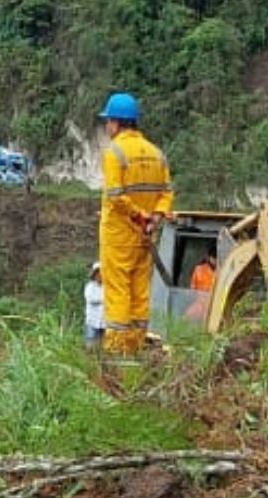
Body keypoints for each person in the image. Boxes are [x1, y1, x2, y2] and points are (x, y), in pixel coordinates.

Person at [97, 92, 174, 354]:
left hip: (120, 236)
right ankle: (136, 347)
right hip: (145, 237)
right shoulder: (157, 153)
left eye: (108, 121)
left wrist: (138, 214)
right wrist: (155, 217)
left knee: (118, 291)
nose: (107, 127)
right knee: (140, 292)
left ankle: (117, 352)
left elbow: (116, 196)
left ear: (117, 123)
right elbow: (166, 192)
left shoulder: (114, 153)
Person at [185, 252, 217, 321]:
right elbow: (192, 289)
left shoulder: (221, 271)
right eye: (214, 258)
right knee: (186, 318)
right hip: (200, 303)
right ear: (210, 257)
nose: (216, 261)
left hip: (214, 305)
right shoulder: (199, 269)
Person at [84, 261, 104, 348]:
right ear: (94, 275)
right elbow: (91, 299)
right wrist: (105, 300)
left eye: (101, 273)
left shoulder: (107, 287)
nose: (99, 275)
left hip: (104, 321)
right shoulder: (90, 286)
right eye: (97, 273)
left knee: (103, 344)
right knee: (91, 343)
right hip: (92, 320)